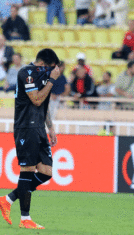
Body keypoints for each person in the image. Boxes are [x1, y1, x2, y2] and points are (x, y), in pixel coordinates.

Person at [0, 48, 60, 229]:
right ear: (44, 64)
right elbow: (36, 100)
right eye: (51, 67)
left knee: (46, 172)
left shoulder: (43, 76)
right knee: (27, 170)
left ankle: (8, 199)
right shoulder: (26, 73)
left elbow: (44, 104)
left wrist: (50, 127)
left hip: (39, 128)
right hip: (26, 127)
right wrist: (51, 81)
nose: (51, 71)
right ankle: (25, 218)